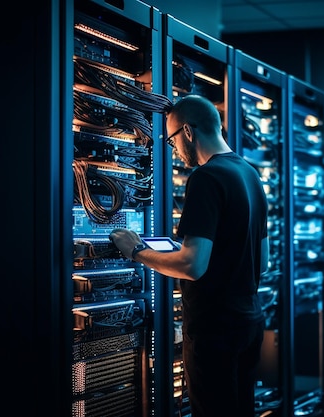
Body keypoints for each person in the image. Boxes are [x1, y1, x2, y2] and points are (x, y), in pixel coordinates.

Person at [109, 94, 269, 417]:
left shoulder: (206, 178)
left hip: (215, 333)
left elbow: (192, 264)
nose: (175, 150)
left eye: (172, 140)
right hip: (249, 323)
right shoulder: (251, 174)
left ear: (188, 132)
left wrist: (137, 251)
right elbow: (261, 261)